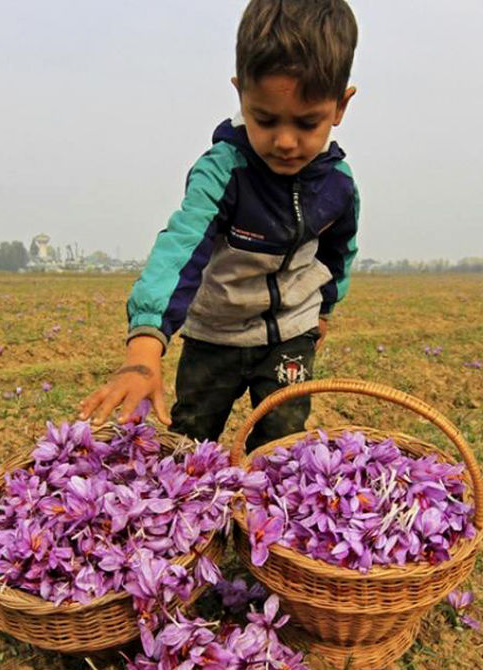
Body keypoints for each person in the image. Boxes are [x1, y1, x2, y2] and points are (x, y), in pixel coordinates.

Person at [79, 0, 360, 454]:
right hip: (216, 336)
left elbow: (337, 253)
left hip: (290, 333)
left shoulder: (338, 186)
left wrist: (324, 309)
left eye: (308, 123)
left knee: (283, 447)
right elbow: (180, 248)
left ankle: (266, 522)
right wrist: (147, 341)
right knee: (189, 441)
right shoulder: (223, 172)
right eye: (264, 118)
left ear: (340, 106)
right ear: (241, 94)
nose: (285, 142)